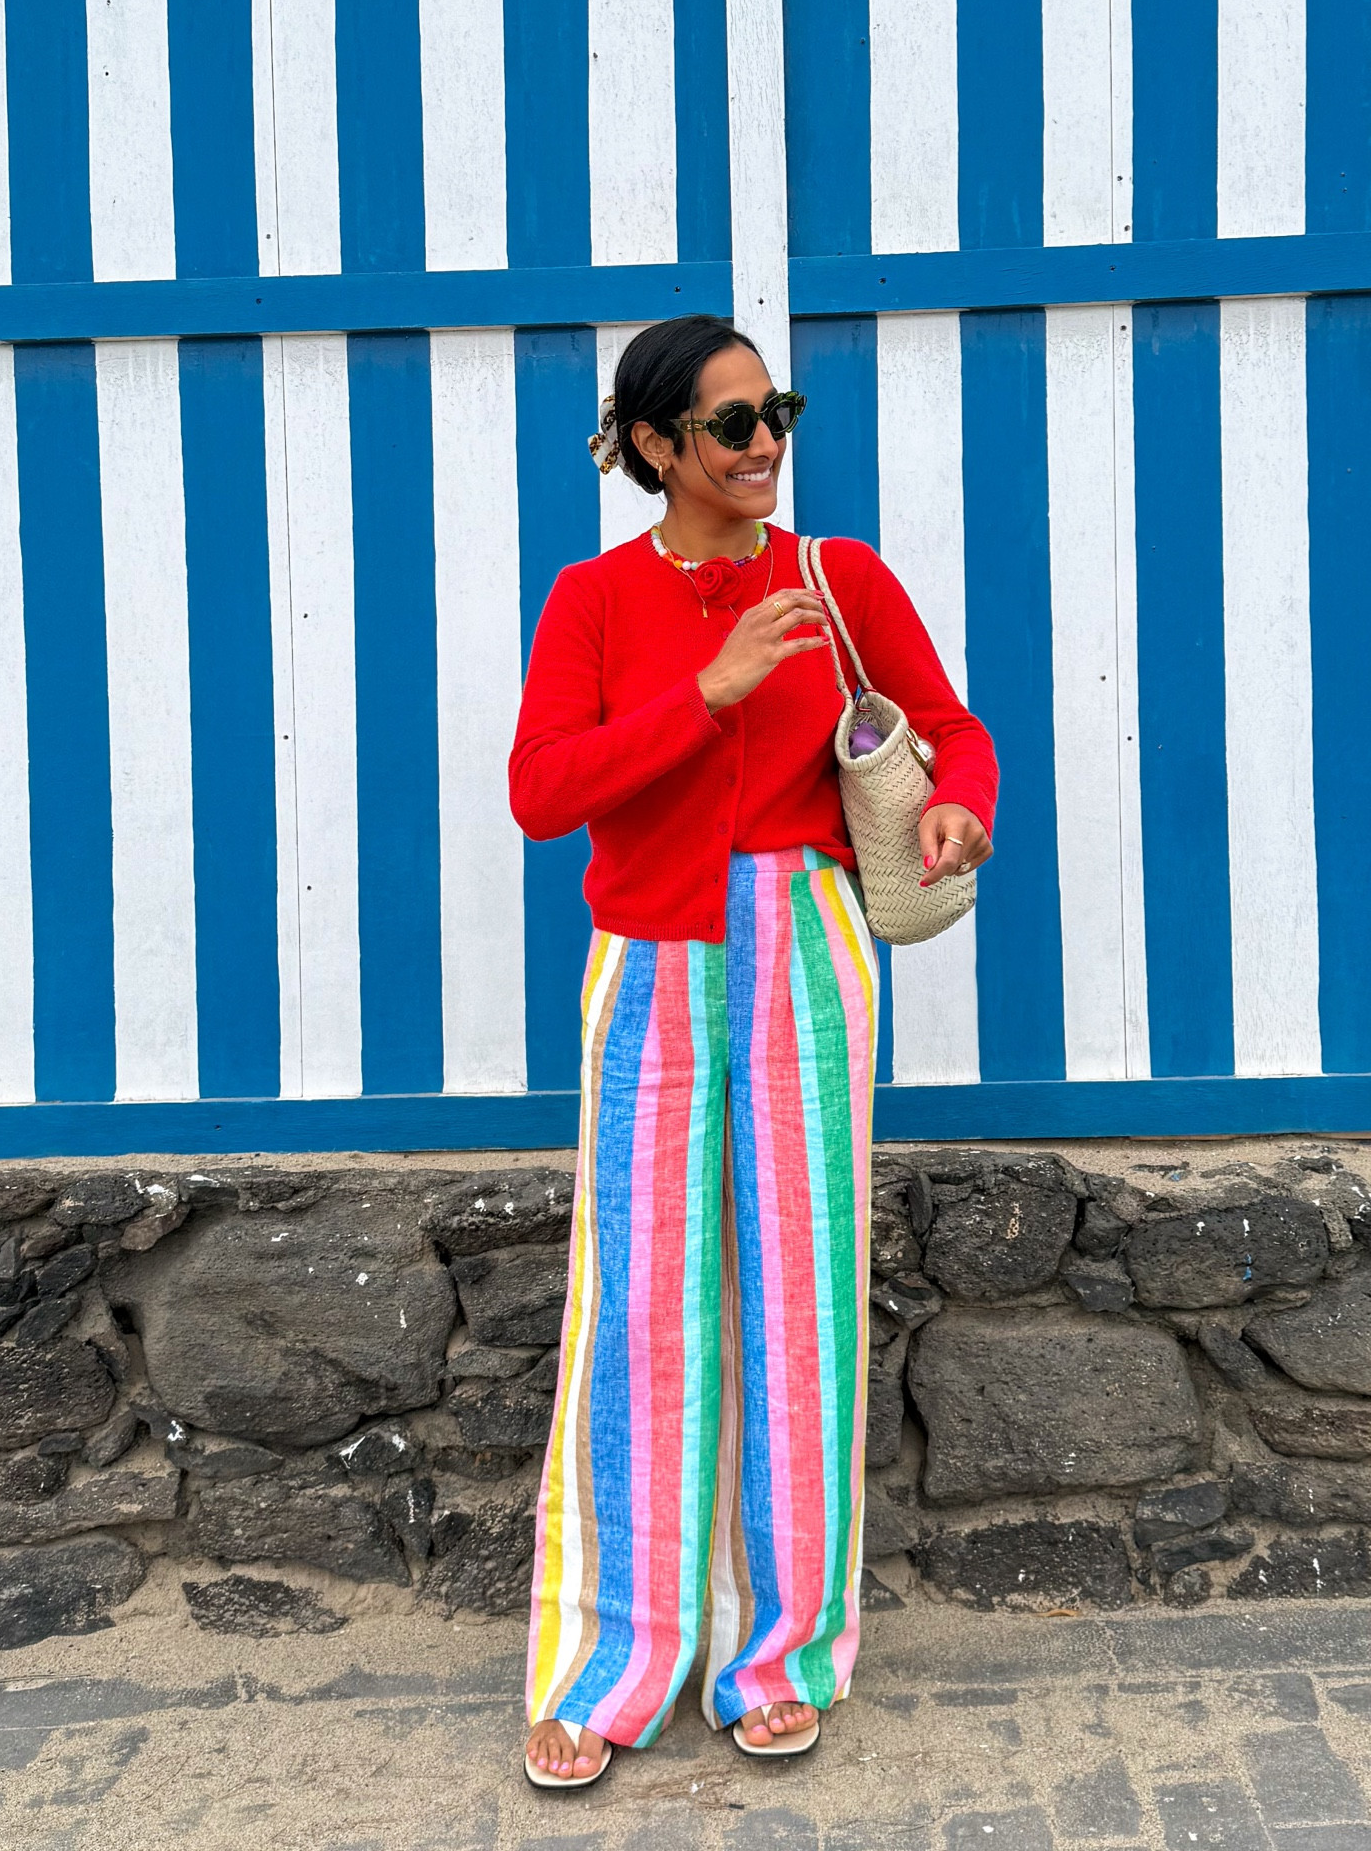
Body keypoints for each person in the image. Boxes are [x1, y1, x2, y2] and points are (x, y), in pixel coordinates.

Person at [510, 313, 997, 1786]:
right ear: (655, 446)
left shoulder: (833, 577)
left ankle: (780, 1654)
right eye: (729, 424)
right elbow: (541, 792)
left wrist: (949, 807)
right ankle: (611, 1663)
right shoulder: (592, 600)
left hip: (805, 945)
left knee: (802, 1304)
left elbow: (947, 727)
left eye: (773, 411)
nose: (764, 442)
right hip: (650, 959)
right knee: (638, 1310)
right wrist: (706, 691)